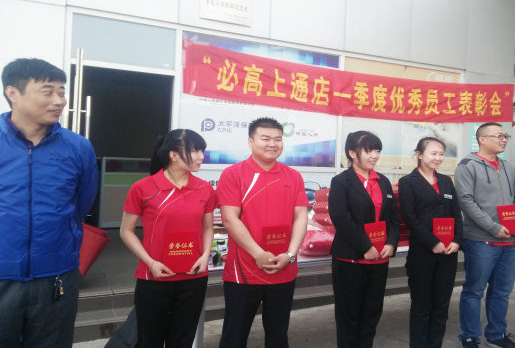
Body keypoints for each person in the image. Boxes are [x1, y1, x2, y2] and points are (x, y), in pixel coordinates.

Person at [0, 58, 98, 347]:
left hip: (56, 276)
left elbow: (81, 207)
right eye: (48, 91)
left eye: (62, 92)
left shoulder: (79, 147)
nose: (59, 101)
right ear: (13, 93)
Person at [217, 117, 309, 348]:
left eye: (278, 139)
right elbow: (229, 219)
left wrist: (290, 255)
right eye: (265, 138)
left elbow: (301, 217)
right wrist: (258, 254)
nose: (272, 144)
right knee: (234, 335)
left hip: (283, 268)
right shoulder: (233, 174)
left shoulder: (293, 176)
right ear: (250, 141)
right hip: (244, 270)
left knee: (278, 335)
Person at [120, 129, 215, 348]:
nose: (201, 156)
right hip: (154, 277)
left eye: (202, 151)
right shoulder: (143, 188)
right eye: (195, 151)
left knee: (182, 341)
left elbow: (208, 227)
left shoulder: (205, 189)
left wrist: (205, 256)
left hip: (193, 277)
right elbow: (126, 231)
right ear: (173, 155)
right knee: (149, 341)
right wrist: (150, 262)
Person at [455, 122, 515, 348]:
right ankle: (470, 336)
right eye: (499, 136)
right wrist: (493, 227)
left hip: (511, 241)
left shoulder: (507, 167)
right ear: (482, 139)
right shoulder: (467, 166)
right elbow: (466, 201)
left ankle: (497, 335)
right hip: (482, 241)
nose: (504, 140)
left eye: (505, 136)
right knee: (474, 291)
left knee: (502, 292)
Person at [328, 131, 400, 348]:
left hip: (379, 259)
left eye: (377, 150)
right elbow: (341, 218)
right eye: (368, 151)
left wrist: (391, 243)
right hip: (351, 259)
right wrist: (366, 246)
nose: (374, 156)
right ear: (352, 153)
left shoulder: (383, 181)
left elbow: (393, 217)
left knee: (372, 313)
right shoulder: (341, 181)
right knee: (349, 315)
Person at [398, 137, 463, 348]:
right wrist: (433, 242)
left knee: (441, 306)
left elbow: (456, 214)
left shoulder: (446, 181)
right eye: (433, 153)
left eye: (441, 154)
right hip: (423, 253)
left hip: (448, 253)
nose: (438, 158)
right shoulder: (408, 182)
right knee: (421, 306)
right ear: (419, 155)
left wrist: (457, 241)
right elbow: (410, 218)